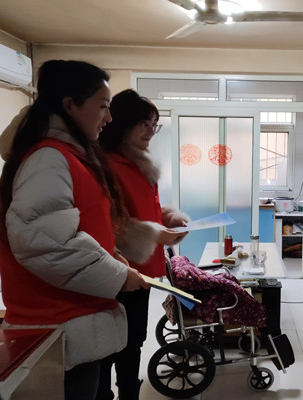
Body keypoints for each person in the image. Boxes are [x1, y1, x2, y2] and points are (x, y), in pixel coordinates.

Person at [0, 60, 150, 400]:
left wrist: (112, 255)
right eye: (103, 107)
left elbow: (75, 228)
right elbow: (46, 244)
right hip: (59, 325)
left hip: (74, 322)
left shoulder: (70, 156)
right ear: (70, 105)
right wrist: (118, 274)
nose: (108, 118)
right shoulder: (48, 158)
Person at [96, 89, 189, 400]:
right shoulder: (105, 164)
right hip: (115, 267)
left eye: (154, 125)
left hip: (142, 269)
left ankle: (129, 392)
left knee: (134, 338)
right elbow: (106, 222)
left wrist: (170, 218)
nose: (150, 131)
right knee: (110, 342)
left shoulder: (140, 163)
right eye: (144, 124)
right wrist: (154, 234)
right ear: (122, 124)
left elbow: (146, 210)